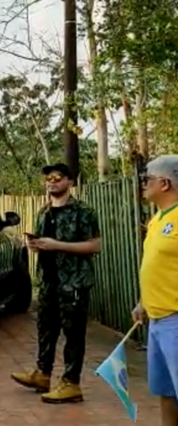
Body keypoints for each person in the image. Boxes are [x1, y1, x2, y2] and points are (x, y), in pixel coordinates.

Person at [11, 163, 101, 404]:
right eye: (48, 178)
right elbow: (45, 243)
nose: (51, 182)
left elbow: (94, 246)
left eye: (57, 177)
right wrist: (35, 245)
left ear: (70, 182)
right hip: (48, 280)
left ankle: (71, 383)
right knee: (46, 329)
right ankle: (43, 374)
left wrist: (57, 245)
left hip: (74, 283)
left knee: (73, 334)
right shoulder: (44, 212)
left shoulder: (83, 211)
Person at [132, 155, 178, 426]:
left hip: (175, 319)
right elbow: (157, 266)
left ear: (165, 183)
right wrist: (143, 302)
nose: (143, 184)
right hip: (158, 323)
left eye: (146, 179)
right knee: (166, 392)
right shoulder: (157, 220)